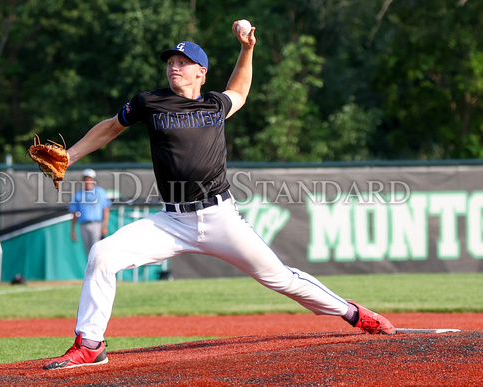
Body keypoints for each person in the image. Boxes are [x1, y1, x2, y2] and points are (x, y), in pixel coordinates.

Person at [43, 21, 395, 370]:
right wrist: (70, 156)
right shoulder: (149, 103)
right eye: (170, 62)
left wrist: (247, 49)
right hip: (171, 221)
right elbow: (110, 127)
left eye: (182, 62)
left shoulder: (214, 105)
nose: (173, 67)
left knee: (281, 278)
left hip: (220, 217)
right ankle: (91, 344)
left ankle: (354, 313)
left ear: (201, 72)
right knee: (103, 254)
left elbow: (239, 90)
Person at [69, 169, 111, 256]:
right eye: (86, 179)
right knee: (88, 253)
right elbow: (74, 213)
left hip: (96, 225)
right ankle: (92, 269)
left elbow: (105, 209)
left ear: (93, 180)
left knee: (97, 251)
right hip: (83, 226)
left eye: (90, 179)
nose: (88, 181)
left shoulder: (100, 192)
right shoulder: (78, 194)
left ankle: (98, 269)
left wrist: (104, 226)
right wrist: (73, 230)